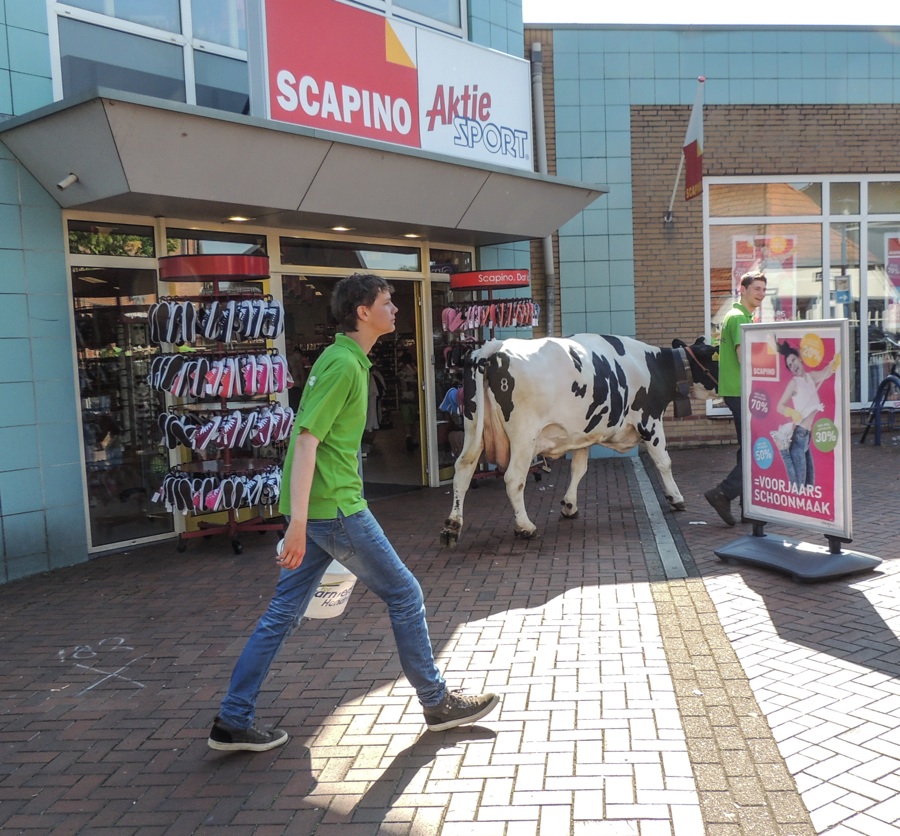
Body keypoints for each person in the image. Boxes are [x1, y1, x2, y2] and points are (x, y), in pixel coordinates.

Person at [208, 273, 499, 752]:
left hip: (322, 510)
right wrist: (297, 524)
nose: (395, 310)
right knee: (405, 594)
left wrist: (300, 519)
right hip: (338, 510)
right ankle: (436, 702)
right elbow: (306, 441)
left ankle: (233, 719)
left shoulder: (343, 358)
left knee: (283, 614)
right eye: (387, 302)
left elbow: (308, 440)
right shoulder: (344, 364)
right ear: (363, 312)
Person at [704, 270, 768, 526]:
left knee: (748, 449)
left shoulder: (739, 316)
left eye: (764, 289)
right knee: (755, 451)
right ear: (743, 289)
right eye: (756, 289)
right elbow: (746, 359)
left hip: (738, 392)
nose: (761, 294)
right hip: (743, 392)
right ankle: (723, 493)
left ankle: (747, 508)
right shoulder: (740, 318)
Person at [772, 341, 840, 492]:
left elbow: (825, 373)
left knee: (809, 484)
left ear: (800, 358)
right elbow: (779, 406)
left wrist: (834, 364)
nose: (793, 366)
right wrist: (792, 412)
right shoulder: (794, 383)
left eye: (793, 360)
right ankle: (783, 452)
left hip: (806, 436)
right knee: (798, 486)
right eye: (789, 365)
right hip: (799, 435)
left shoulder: (810, 377)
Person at [397, 351, 419, 451]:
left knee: (407, 420)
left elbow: (399, 384)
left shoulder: (401, 372)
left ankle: (408, 436)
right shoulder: (415, 370)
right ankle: (414, 439)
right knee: (414, 420)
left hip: (404, 398)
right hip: (414, 398)